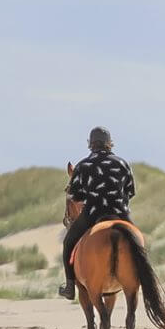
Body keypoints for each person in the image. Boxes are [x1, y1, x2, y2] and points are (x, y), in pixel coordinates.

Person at [59, 126, 136, 300]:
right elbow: (130, 192)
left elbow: (75, 195)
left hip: (93, 214)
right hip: (120, 214)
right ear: (110, 144)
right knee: (138, 245)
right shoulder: (123, 164)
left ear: (90, 144)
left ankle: (70, 286)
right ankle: (142, 277)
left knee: (68, 243)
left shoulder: (83, 165)